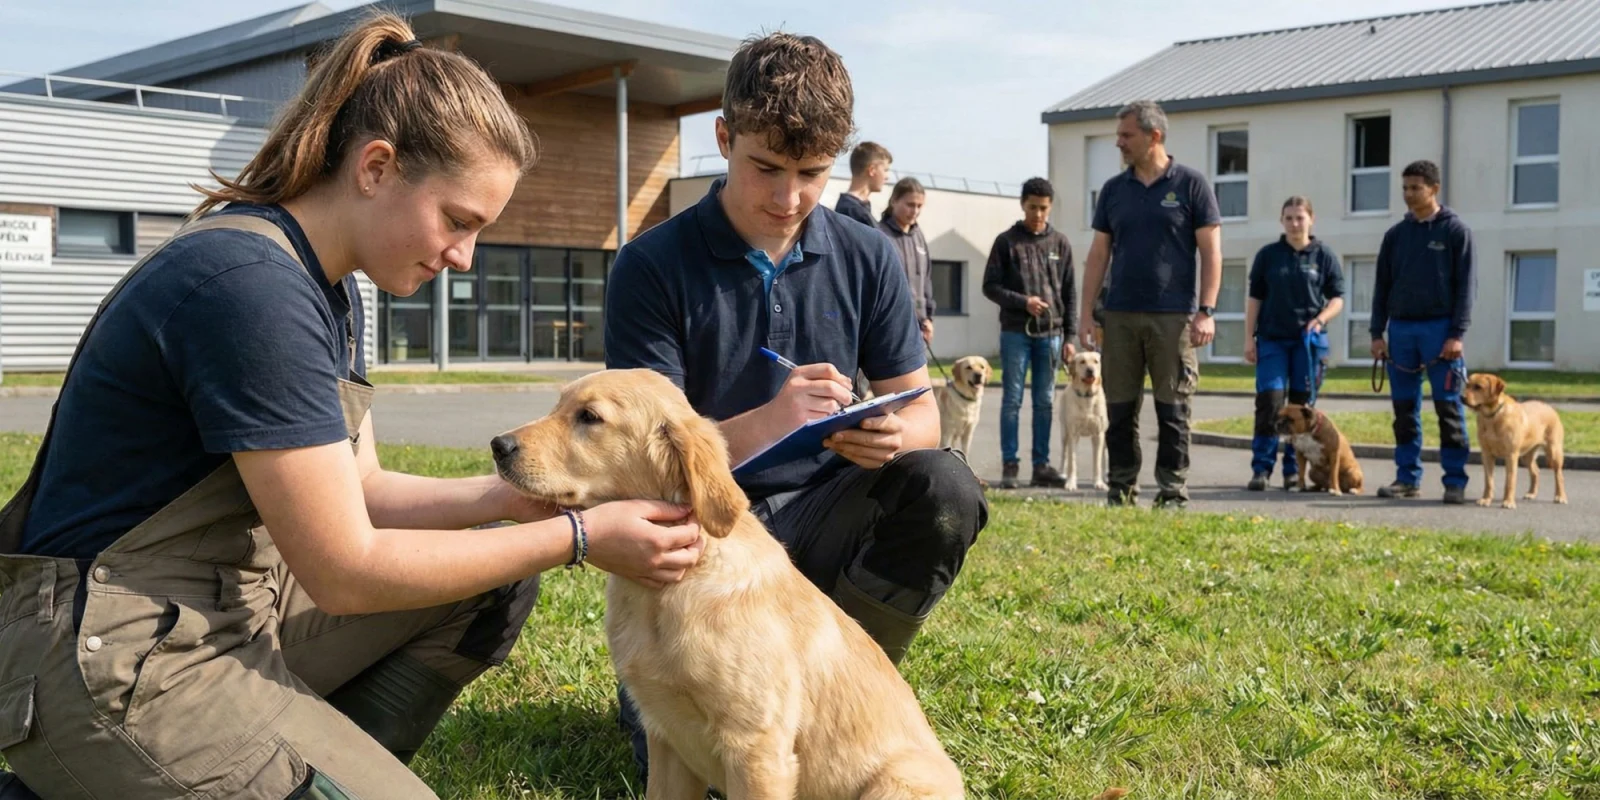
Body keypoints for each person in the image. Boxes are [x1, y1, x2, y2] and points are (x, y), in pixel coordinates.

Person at [0, 15, 703, 800]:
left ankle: (287, 757)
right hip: (109, 653)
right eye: (459, 221)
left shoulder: (328, 287)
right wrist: (576, 536)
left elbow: (363, 491)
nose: (464, 256)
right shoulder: (252, 289)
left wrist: (518, 500)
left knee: (489, 584)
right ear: (376, 167)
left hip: (226, 610)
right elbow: (344, 571)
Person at [604, 31, 988, 783]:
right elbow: (644, 460)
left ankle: (828, 701)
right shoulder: (652, 265)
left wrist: (890, 433)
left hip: (821, 529)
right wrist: (772, 419)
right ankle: (727, 697)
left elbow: (924, 416)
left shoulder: (866, 253)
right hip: (710, 537)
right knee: (674, 731)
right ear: (723, 137)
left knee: (942, 487)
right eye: (765, 168)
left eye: (811, 174)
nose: (788, 199)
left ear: (838, 163)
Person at [1078, 99, 1222, 509]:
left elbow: (1212, 252)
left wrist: (1206, 310)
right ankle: (1120, 490)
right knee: (1120, 409)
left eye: (1126, 135)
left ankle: (1172, 492)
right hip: (1119, 315)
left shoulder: (1191, 185)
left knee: (1173, 408)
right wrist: (1086, 313)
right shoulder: (1113, 190)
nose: (1118, 143)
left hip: (1174, 317)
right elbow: (1098, 254)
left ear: (1153, 136)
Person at [1369, 159, 1476, 504]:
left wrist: (1456, 334)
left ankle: (1455, 481)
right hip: (1400, 331)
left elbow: (1466, 289)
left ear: (1434, 189)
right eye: (1405, 188)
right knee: (1404, 412)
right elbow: (1381, 288)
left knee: (1449, 410)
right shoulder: (1395, 236)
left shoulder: (1455, 232)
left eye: (1416, 187)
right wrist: (1376, 333)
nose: (1409, 194)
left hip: (1441, 330)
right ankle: (1407, 478)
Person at [1244, 196, 1345, 491]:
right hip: (1273, 340)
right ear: (1281, 221)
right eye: (1288, 218)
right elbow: (1255, 299)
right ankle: (1261, 469)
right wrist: (1249, 338)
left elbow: (1337, 297)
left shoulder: (1323, 255)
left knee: (1301, 410)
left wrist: (1321, 319)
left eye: (1299, 217)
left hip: (1308, 343)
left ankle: (1293, 472)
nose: (1294, 223)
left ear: (1310, 219)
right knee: (1270, 402)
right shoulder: (1268, 255)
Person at [982, 177, 1075, 489]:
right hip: (1015, 332)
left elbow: (1071, 293)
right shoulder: (1006, 242)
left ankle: (1041, 465)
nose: (1038, 214)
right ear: (1023, 204)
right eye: (1033, 207)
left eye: (1044, 209)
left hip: (1052, 334)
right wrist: (1024, 302)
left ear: (1050, 208)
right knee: (1012, 400)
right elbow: (990, 286)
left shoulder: (1060, 243)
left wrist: (1070, 338)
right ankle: (1010, 464)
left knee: (1045, 401)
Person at [878, 176, 936, 345]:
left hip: (919, 326)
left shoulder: (919, 236)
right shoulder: (880, 234)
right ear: (894, 201)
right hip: (890, 326)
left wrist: (928, 318)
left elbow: (926, 280)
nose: (915, 211)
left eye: (919, 206)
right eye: (910, 205)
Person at [836, 140, 892, 227]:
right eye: (885, 170)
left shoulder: (856, 209)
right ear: (872, 170)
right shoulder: (853, 212)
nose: (887, 177)